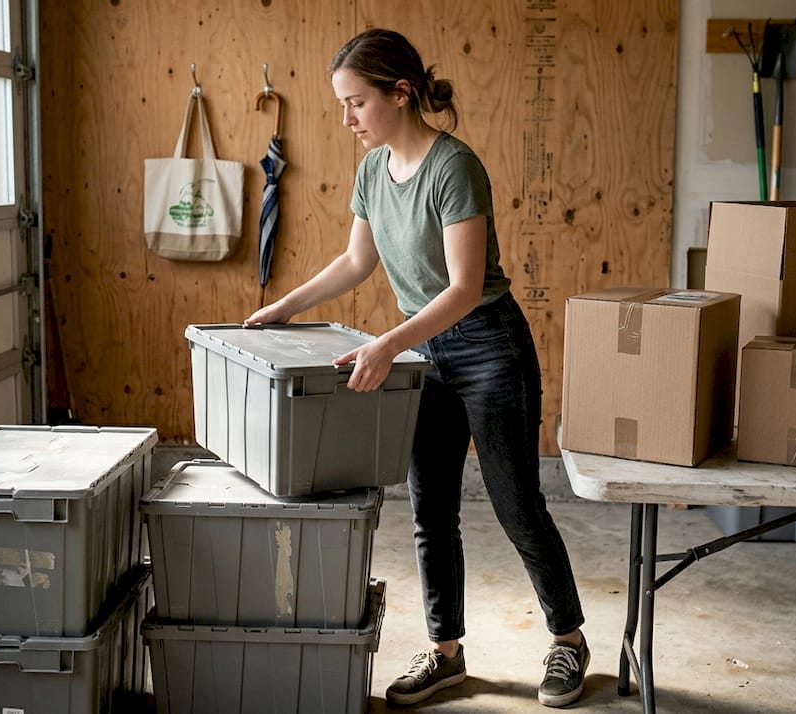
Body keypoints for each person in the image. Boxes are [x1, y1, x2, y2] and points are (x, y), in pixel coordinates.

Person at [244, 28, 589, 708]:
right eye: (343, 105)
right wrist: (283, 306)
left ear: (401, 94)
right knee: (430, 511)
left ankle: (569, 640)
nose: (347, 120)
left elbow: (461, 288)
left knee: (517, 506)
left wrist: (386, 345)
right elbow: (355, 263)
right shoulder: (374, 170)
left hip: (488, 347)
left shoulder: (454, 167)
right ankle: (446, 654)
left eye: (357, 103)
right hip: (426, 353)